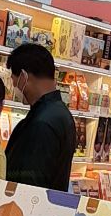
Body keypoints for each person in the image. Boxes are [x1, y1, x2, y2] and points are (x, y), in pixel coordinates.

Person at [5, 42, 76, 191]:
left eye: (13, 79)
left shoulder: (41, 122)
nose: (14, 86)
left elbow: (30, 182)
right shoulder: (60, 113)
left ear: (23, 76)